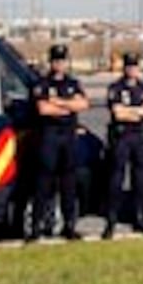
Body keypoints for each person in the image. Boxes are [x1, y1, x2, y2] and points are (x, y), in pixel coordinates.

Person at [28, 44, 88, 241]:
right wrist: (69, 106)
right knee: (43, 182)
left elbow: (83, 104)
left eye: (62, 61)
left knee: (68, 182)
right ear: (51, 62)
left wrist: (59, 103)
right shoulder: (42, 84)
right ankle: (37, 226)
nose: (59, 64)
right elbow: (43, 109)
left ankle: (69, 226)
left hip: (68, 136)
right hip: (49, 135)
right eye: (56, 61)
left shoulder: (73, 83)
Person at [104, 51, 143, 239]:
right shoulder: (116, 88)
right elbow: (119, 114)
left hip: (138, 137)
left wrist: (134, 112)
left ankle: (139, 217)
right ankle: (111, 220)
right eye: (129, 66)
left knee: (140, 178)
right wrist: (140, 111)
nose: (132, 70)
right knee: (116, 179)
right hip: (121, 137)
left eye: (135, 66)